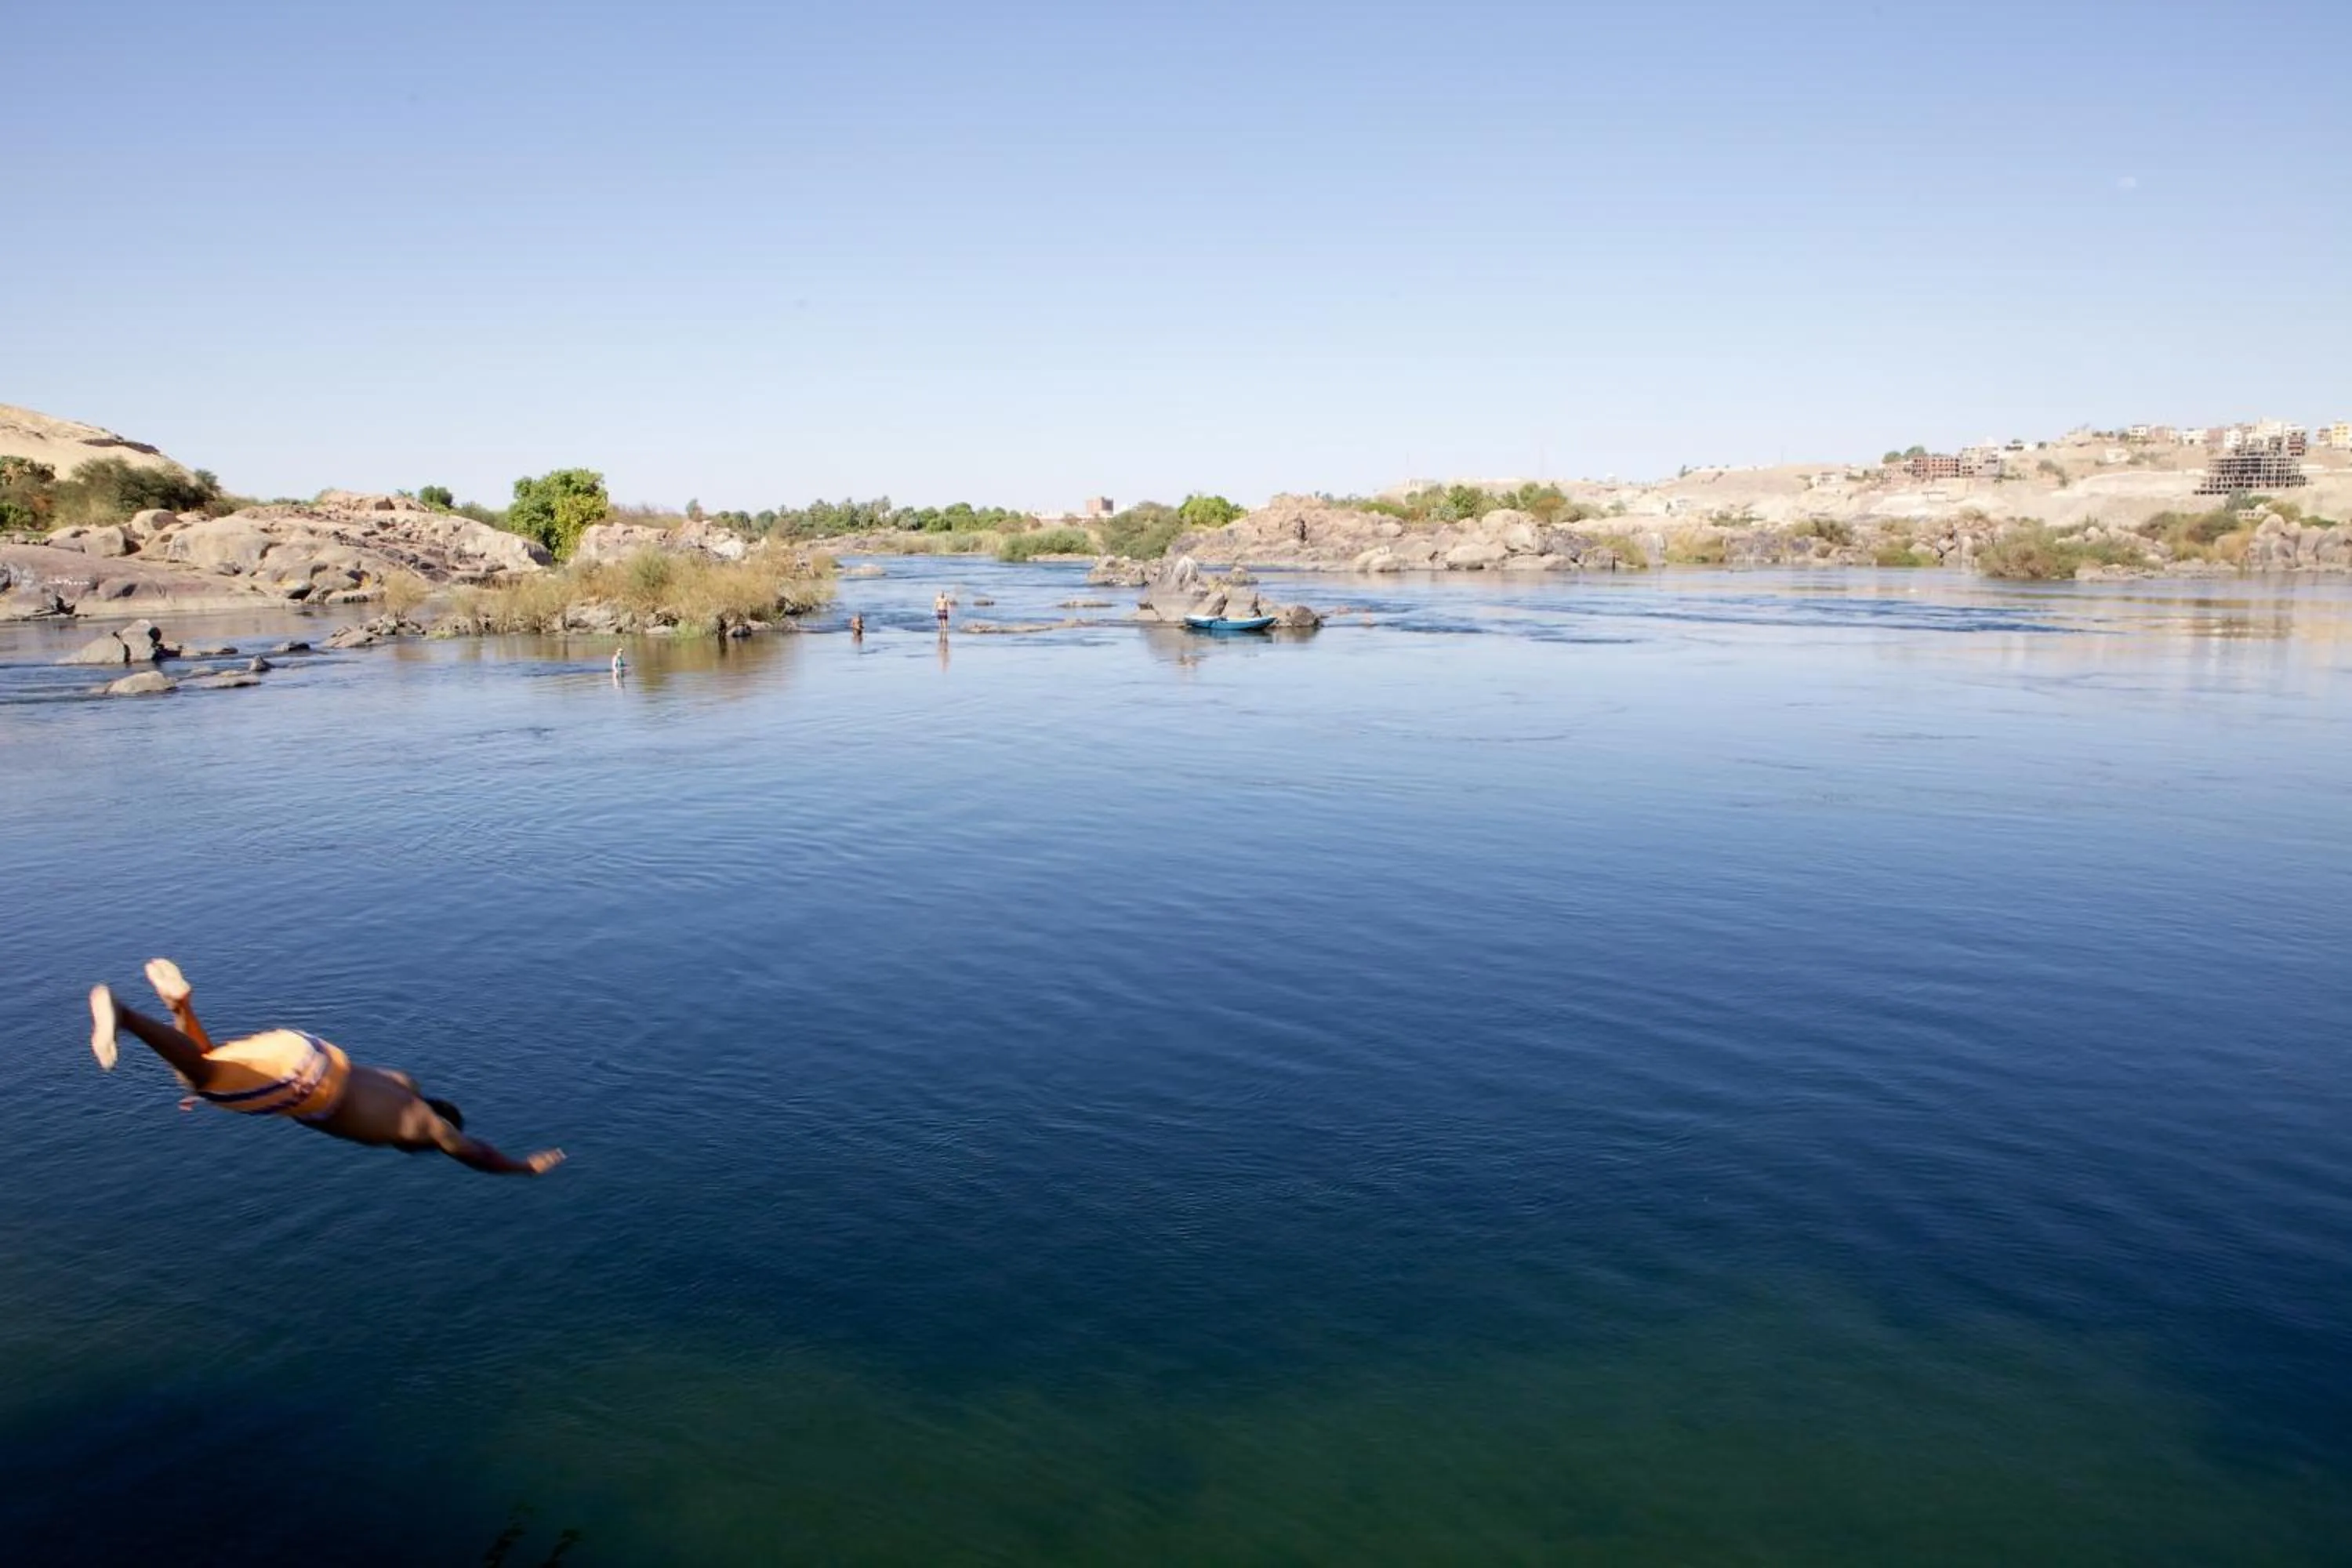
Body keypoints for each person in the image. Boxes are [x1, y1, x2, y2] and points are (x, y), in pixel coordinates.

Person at [87, 960, 564, 1176]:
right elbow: (471, 1151)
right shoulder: (427, 1127)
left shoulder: (405, 1084)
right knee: (206, 1081)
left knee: (205, 1070)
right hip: (309, 1083)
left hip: (309, 1049)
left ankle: (181, 1006)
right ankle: (125, 1015)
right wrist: (523, 1166)